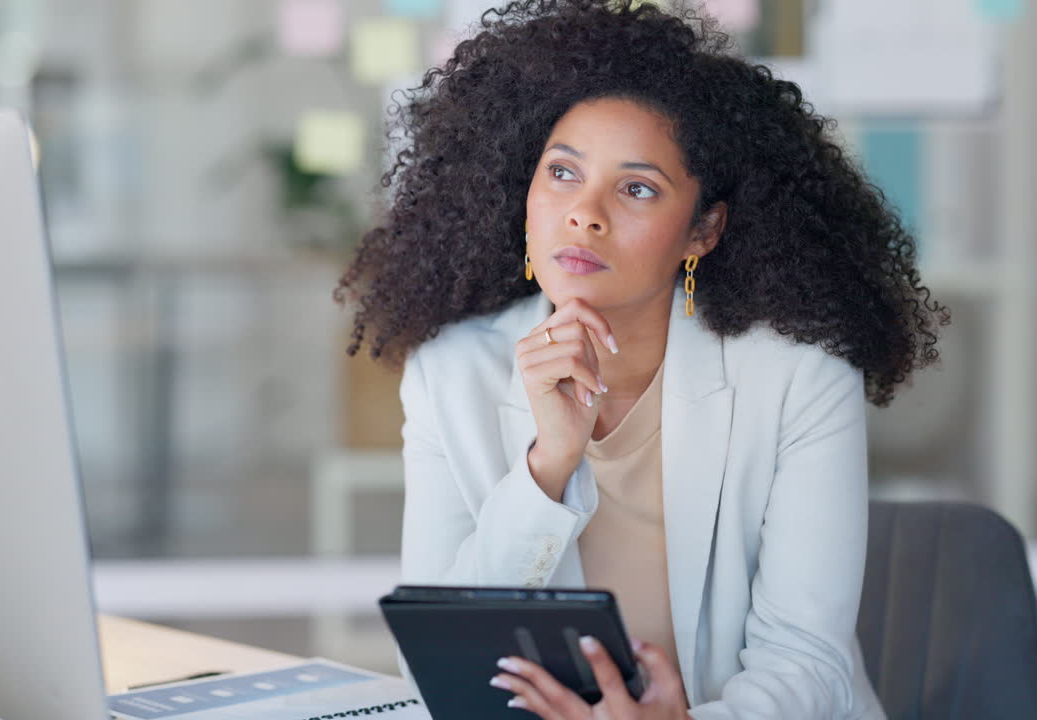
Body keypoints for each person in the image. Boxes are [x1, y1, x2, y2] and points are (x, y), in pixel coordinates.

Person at [336, 1, 948, 717]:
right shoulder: (451, 371)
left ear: (704, 229)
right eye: (562, 173)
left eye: (637, 188)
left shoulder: (799, 375)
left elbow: (807, 663)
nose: (585, 213)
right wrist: (547, 467)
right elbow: (439, 650)